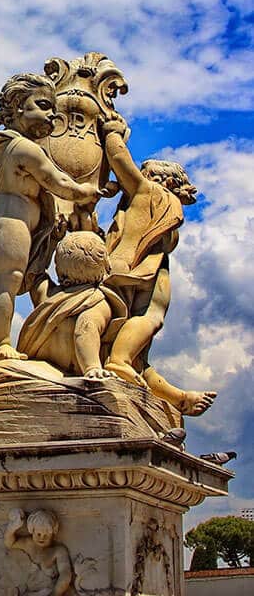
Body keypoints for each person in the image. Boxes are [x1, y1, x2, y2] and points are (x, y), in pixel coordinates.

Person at [0, 73, 101, 362]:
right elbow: (57, 182)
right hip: (12, 224)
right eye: (43, 105)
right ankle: (2, 346)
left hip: (18, 225)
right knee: (6, 283)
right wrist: (83, 191)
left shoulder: (10, 144)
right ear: (18, 108)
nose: (52, 113)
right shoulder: (23, 147)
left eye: (53, 108)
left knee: (15, 282)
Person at [101, 118, 216, 416]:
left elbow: (119, 159)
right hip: (144, 274)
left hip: (138, 271)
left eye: (145, 173)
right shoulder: (160, 198)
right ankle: (123, 364)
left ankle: (173, 395)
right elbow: (119, 161)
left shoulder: (148, 192)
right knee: (147, 324)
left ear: (161, 180)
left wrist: (113, 133)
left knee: (142, 338)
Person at [16, 231, 125, 379]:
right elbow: (86, 328)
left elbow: (35, 273)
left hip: (39, 367)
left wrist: (49, 235)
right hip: (73, 373)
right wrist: (92, 367)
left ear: (59, 269)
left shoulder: (49, 296)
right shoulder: (97, 302)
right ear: (104, 266)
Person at [4, 508, 73, 596]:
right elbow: (10, 543)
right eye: (38, 534)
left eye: (46, 535)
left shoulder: (58, 551)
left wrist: (54, 593)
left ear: (52, 534)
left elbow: (65, 574)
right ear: (32, 531)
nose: (42, 538)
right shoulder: (28, 544)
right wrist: (12, 527)